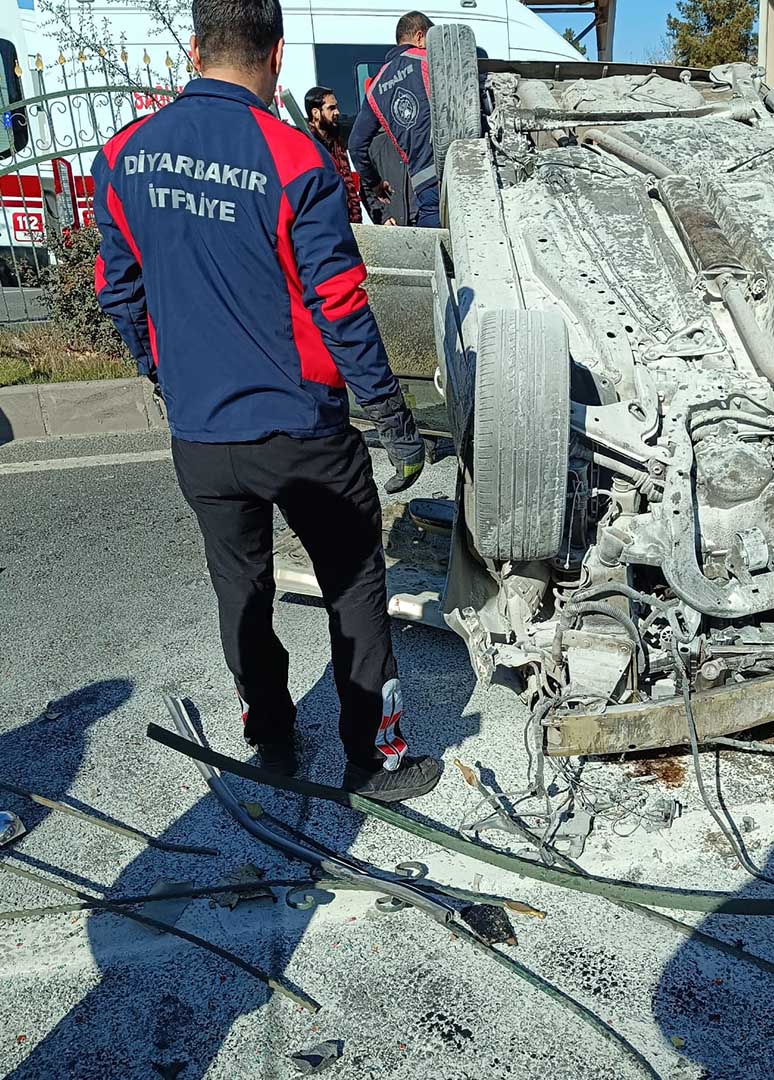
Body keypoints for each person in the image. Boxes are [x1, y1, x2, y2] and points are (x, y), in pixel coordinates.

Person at [91, 0, 441, 803]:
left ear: (194, 46)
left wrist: (161, 373)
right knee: (352, 582)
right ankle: (375, 759)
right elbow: (341, 304)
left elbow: (120, 293)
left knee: (239, 588)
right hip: (303, 429)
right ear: (277, 55)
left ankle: (273, 738)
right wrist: (390, 415)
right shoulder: (295, 160)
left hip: (201, 434)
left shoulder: (124, 155)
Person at [349, 10, 441, 228]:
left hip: (422, 186)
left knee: (435, 254)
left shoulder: (375, 87)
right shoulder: (430, 60)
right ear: (419, 37)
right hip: (450, 172)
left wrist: (375, 183)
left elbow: (355, 145)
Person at [305, 84, 363, 223]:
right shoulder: (306, 144)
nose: (337, 112)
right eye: (331, 108)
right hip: (322, 224)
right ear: (315, 113)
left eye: (336, 107)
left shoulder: (337, 141)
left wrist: (355, 221)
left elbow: (349, 186)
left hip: (346, 224)